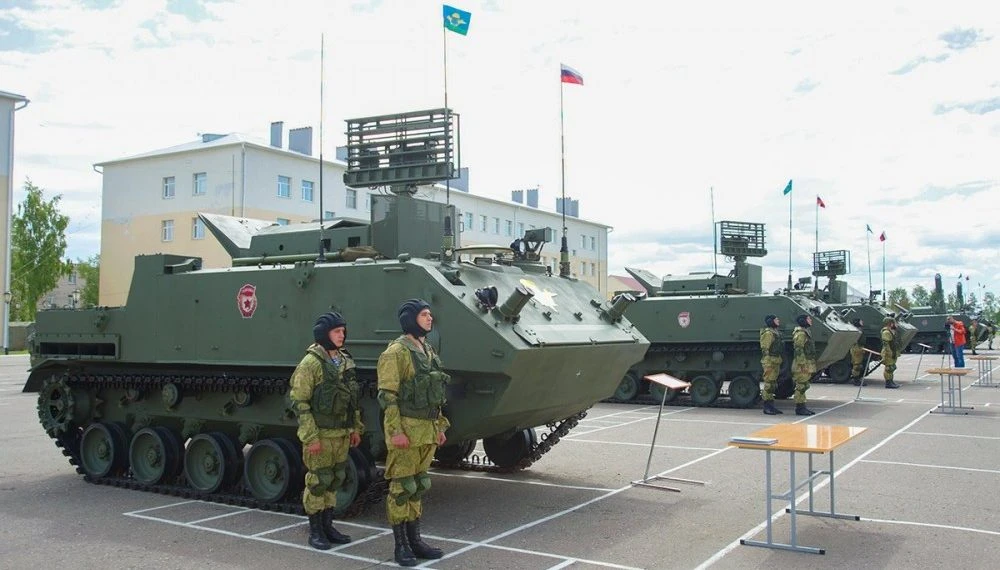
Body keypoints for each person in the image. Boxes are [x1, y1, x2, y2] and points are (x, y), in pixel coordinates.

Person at [377, 299, 450, 567]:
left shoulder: (427, 349)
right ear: (410, 319)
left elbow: (434, 394)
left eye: (430, 314)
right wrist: (395, 431)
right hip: (406, 430)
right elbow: (388, 397)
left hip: (427, 430)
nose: (430, 318)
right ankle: (401, 545)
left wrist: (439, 426)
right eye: (424, 315)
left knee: (418, 485)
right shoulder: (396, 352)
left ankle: (415, 540)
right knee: (402, 487)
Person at [288, 312, 362, 550]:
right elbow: (300, 403)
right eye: (336, 331)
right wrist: (310, 437)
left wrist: (354, 428)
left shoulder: (344, 360)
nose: (342, 335)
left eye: (343, 331)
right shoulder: (310, 364)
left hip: (341, 434)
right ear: (324, 334)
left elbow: (352, 400)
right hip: (320, 434)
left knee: (335, 478)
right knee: (318, 481)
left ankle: (328, 525)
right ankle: (316, 530)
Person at [791, 314, 816, 416]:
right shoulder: (801, 333)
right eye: (808, 319)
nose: (810, 320)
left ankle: (802, 406)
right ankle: (800, 408)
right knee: (801, 385)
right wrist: (802, 363)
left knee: (804, 385)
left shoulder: (805, 332)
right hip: (801, 364)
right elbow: (798, 349)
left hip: (806, 362)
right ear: (803, 321)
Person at [759, 314, 784, 415]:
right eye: (776, 319)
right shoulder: (768, 333)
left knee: (773, 384)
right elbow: (765, 348)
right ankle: (767, 407)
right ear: (771, 321)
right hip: (770, 361)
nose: (778, 321)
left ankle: (771, 406)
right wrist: (768, 361)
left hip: (776, 360)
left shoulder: (776, 332)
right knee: (769, 384)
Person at [880, 317, 901, 389]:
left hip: (892, 351)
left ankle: (891, 381)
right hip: (888, 352)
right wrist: (889, 353)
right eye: (894, 323)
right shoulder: (886, 332)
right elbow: (886, 344)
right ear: (890, 324)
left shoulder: (891, 331)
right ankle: (888, 383)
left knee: (892, 367)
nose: (895, 324)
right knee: (889, 368)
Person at [849, 318, 867, 386]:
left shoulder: (859, 330)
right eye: (860, 321)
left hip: (859, 347)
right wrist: (859, 349)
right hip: (856, 348)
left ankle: (857, 378)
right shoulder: (856, 331)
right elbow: (855, 341)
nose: (862, 322)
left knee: (858, 365)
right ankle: (856, 380)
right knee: (857, 365)